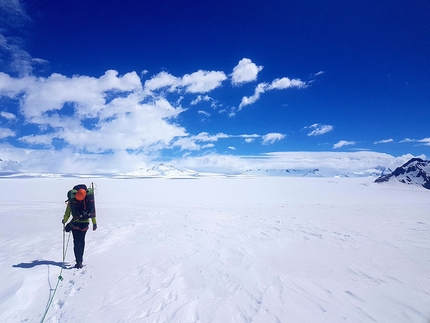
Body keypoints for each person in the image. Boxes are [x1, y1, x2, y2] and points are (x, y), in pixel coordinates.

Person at [62, 186, 97, 269]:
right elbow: (92, 212)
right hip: (85, 225)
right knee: (82, 241)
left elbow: (68, 212)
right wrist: (94, 223)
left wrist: (64, 220)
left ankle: (78, 261)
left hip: (75, 224)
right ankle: (80, 260)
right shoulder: (88, 200)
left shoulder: (72, 200)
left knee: (76, 242)